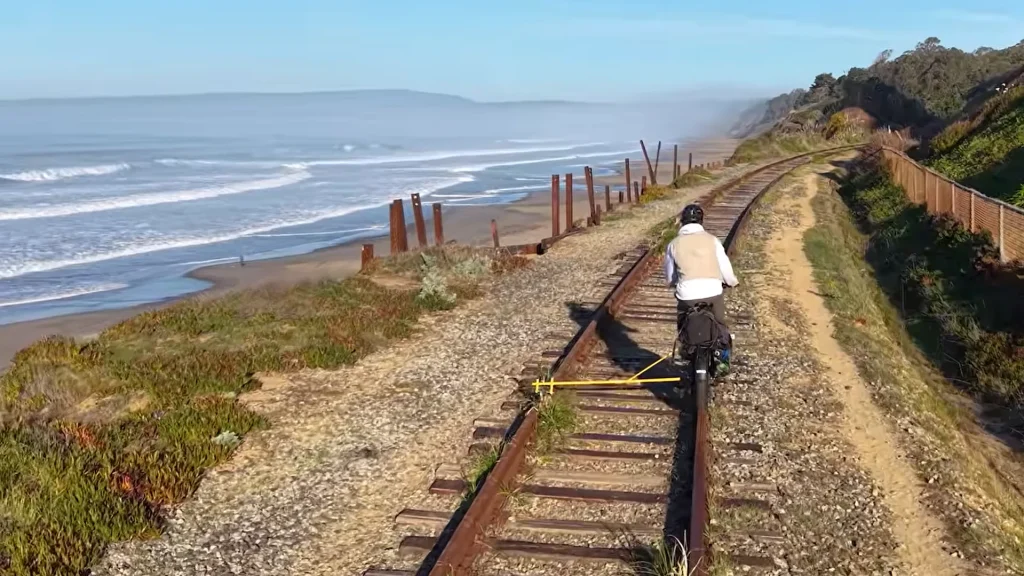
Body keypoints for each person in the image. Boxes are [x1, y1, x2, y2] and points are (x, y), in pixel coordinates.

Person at [664, 203, 739, 367]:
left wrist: (674, 282)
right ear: (701, 222)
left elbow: (670, 276)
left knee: (683, 323)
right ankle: (722, 361)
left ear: (683, 222)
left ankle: (685, 351)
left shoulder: (673, 244)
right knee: (719, 324)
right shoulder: (713, 241)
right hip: (712, 292)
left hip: (687, 295)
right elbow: (725, 267)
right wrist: (732, 282)